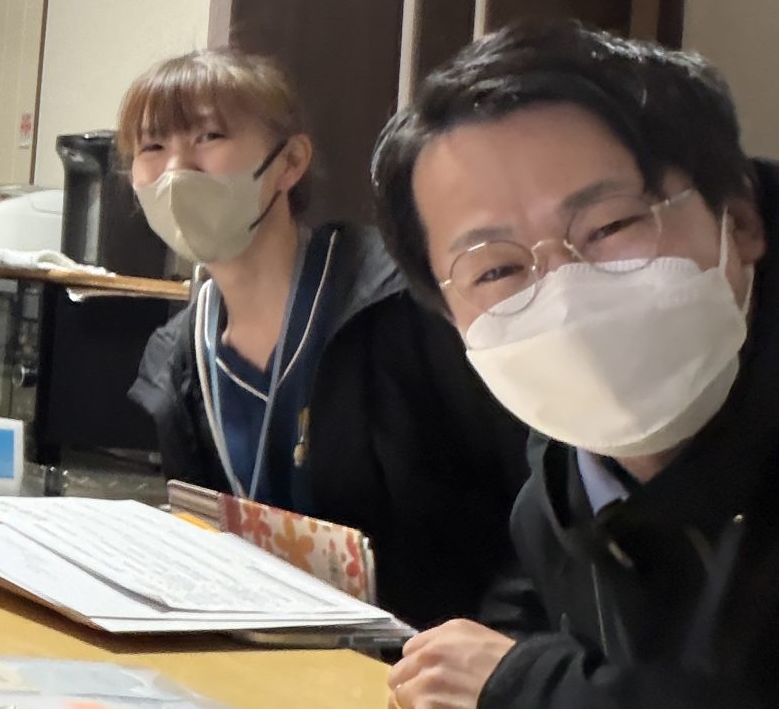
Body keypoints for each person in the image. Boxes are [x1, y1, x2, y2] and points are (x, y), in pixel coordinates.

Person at [374, 23, 779, 709]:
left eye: (612, 227)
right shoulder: (559, 494)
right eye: (496, 270)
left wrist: (526, 703)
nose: (566, 295)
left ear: (738, 222)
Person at [119, 50, 531, 628]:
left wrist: (503, 649)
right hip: (274, 656)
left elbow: (537, 496)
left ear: (289, 163)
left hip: (429, 656)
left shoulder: (404, 303)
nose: (176, 171)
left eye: (209, 136)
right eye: (152, 147)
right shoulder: (177, 359)